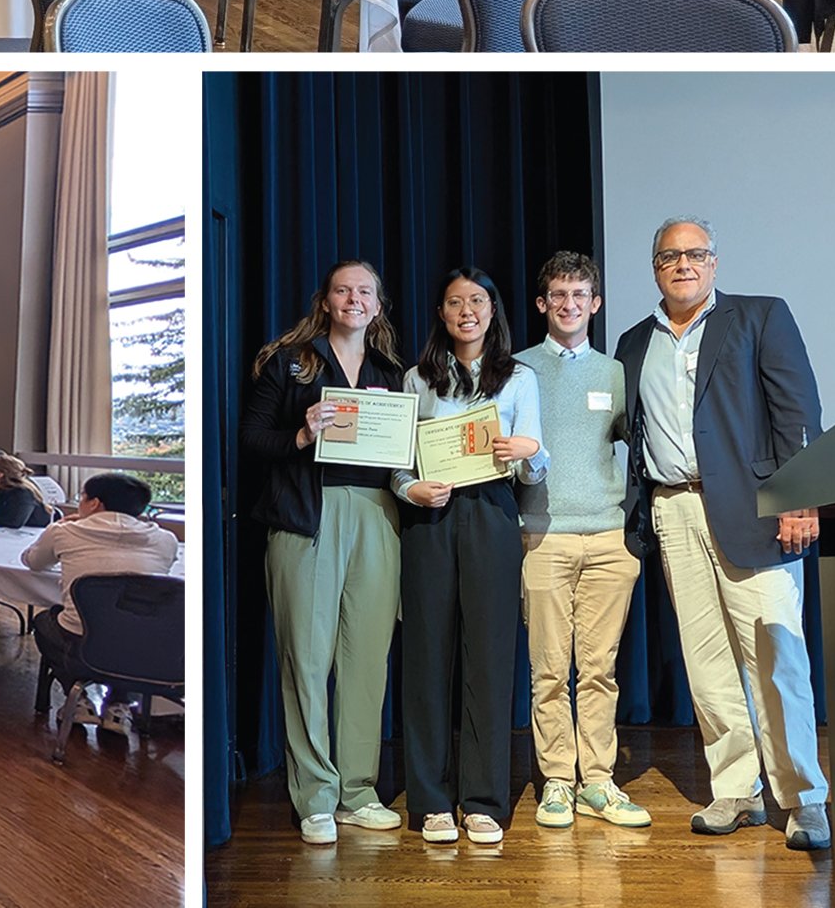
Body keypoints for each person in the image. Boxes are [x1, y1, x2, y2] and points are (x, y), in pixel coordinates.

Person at [617, 218, 830, 847]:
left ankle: (804, 798)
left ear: (714, 263)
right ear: (655, 268)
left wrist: (801, 499)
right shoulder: (634, 342)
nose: (683, 264)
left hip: (758, 510)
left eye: (695, 254)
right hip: (674, 508)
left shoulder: (761, 316)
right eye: (669, 256)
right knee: (706, 660)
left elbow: (798, 411)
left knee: (776, 655)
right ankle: (737, 790)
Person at [241, 259, 410, 846]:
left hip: (376, 514)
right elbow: (251, 438)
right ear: (326, 299)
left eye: (365, 291)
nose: (354, 299)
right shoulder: (292, 362)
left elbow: (405, 457)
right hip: (305, 519)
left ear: (378, 304)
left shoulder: (394, 372)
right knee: (307, 663)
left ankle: (358, 792)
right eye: (343, 289)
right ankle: (315, 797)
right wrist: (302, 434)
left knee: (366, 661)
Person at [392, 269, 549, 848]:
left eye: (477, 301)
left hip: (491, 511)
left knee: (488, 657)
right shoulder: (417, 377)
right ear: (441, 311)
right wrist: (412, 490)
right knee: (427, 657)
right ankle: (432, 800)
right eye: (455, 301)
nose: (466, 311)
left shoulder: (520, 378)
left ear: (492, 309)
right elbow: (398, 463)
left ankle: (483, 801)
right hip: (430, 519)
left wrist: (527, 451)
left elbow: (535, 463)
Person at [515, 252, 650, 831]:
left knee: (598, 669)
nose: (569, 306)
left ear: (594, 303)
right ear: (543, 303)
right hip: (542, 537)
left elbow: (640, 441)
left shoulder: (616, 372)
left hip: (608, 540)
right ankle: (557, 783)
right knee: (548, 669)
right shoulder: (515, 369)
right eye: (558, 296)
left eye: (580, 296)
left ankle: (598, 779)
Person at [20, 474, 176, 729]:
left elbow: (33, 562)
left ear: (94, 504)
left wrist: (56, 531)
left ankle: (78, 697)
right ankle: (119, 703)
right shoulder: (165, 540)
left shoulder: (65, 532)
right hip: (147, 646)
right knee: (124, 625)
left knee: (45, 621)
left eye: (82, 497)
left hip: (82, 644)